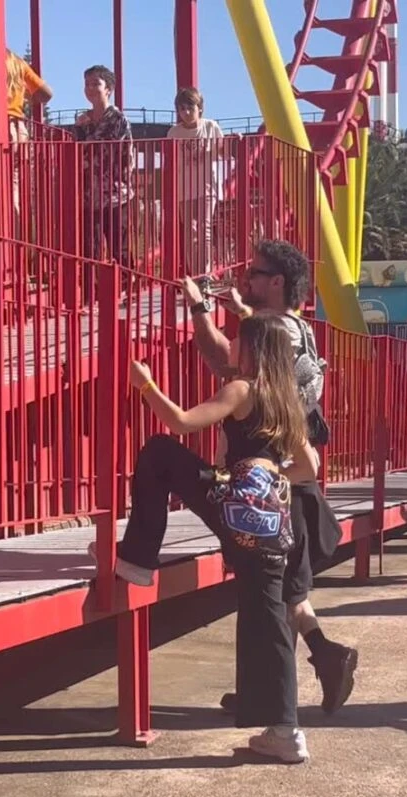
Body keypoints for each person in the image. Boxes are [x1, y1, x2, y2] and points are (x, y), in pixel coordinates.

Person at [102, 314, 318, 763]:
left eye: (239, 340)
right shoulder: (286, 400)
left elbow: (181, 423)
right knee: (271, 620)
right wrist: (269, 472)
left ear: (255, 349)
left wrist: (145, 385)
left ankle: (139, 557)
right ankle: (285, 728)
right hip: (275, 523)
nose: (232, 346)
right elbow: (309, 469)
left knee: (160, 451)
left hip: (237, 510)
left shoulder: (242, 389)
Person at [181, 240, 358, 715]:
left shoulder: (272, 328)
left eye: (257, 274)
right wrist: (243, 315)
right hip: (292, 473)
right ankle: (314, 664)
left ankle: (276, 701)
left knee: (271, 595)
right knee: (282, 593)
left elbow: (224, 362)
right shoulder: (299, 327)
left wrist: (198, 309)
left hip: (270, 476)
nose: (248, 279)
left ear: (277, 282)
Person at [74, 65, 134, 285]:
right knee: (91, 247)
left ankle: (128, 290)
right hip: (90, 194)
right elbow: (77, 150)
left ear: (108, 88)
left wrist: (84, 133)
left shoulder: (117, 119)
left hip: (116, 193)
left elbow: (102, 148)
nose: (90, 88)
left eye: (95, 84)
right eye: (87, 84)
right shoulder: (83, 120)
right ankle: (92, 293)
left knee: (120, 246)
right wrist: (81, 130)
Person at [167, 87, 224, 275]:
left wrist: (236, 141)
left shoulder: (210, 127)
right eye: (182, 109)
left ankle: (205, 273)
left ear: (199, 108)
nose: (186, 113)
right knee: (190, 233)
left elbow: (223, 151)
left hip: (207, 186)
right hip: (184, 188)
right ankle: (197, 273)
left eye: (190, 108)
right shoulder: (174, 133)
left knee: (204, 228)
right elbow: (170, 162)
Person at [6, 49, 53, 217]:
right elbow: (46, 93)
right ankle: (13, 241)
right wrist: (25, 97)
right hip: (17, 128)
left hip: (1, 128)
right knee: (12, 188)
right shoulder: (16, 61)